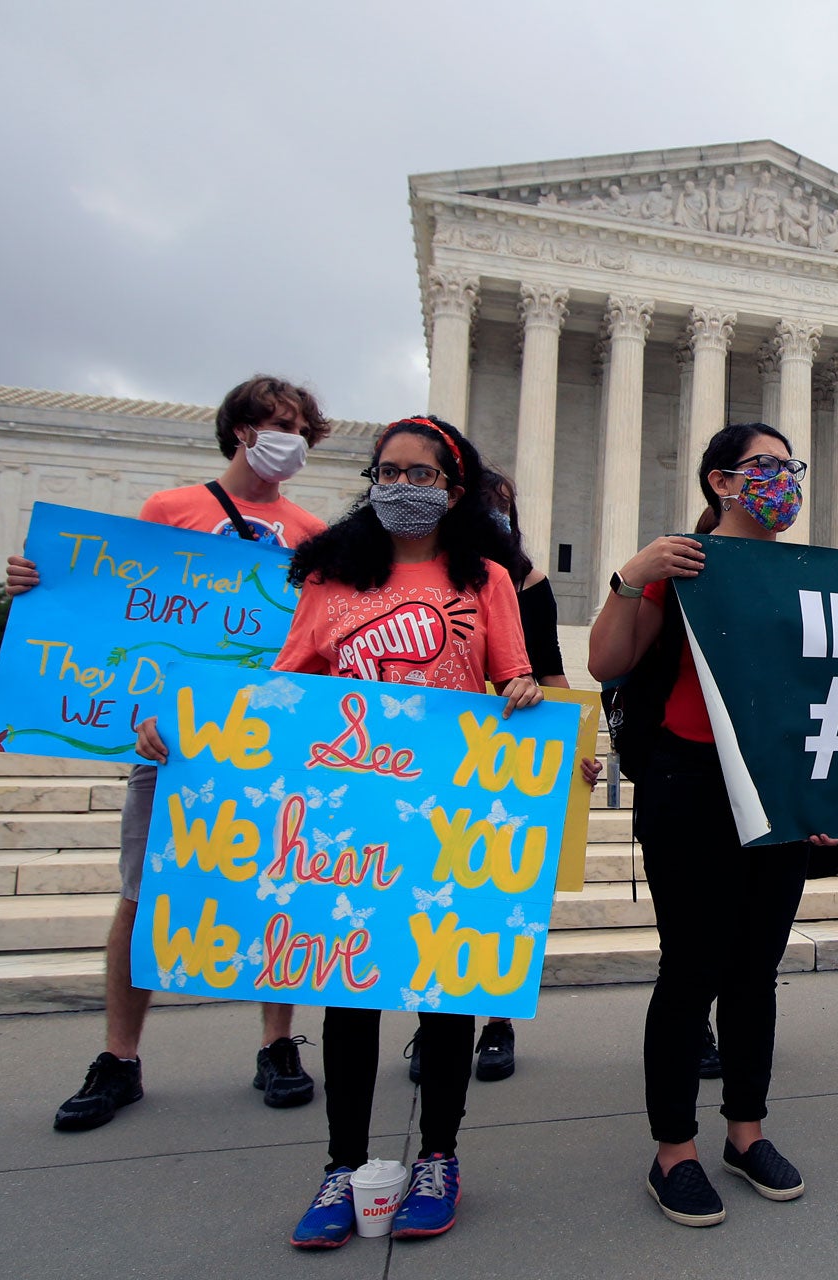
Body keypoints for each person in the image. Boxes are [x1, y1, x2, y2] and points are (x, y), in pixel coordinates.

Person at [138, 414, 544, 1245]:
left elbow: (511, 676)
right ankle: (343, 1168)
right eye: (388, 472)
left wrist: (526, 696)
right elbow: (284, 693)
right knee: (349, 1000)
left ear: (454, 488)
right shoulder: (330, 576)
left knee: (443, 1000)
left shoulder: (487, 579)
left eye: (422, 475)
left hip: (443, 815)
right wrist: (187, 729)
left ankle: (439, 1156)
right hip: (344, 821)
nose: (402, 486)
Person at [10, 375, 331, 1133]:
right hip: (169, 743)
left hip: (265, 745)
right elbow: (117, 611)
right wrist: (36, 584)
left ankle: (277, 1044)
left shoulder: (313, 534)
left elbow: (314, 642)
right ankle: (119, 1056)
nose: (291, 438)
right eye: (278, 423)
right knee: (139, 894)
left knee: (277, 890)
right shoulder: (170, 510)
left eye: (300, 428)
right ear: (241, 429)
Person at [588, 422, 838, 1228]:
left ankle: (745, 1132)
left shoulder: (811, 575)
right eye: (763, 466)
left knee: (756, 974)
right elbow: (607, 663)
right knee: (691, 970)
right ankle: (673, 1152)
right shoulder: (684, 566)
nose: (782, 478)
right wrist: (631, 578)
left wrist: (827, 796)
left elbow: (827, 695)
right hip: (690, 781)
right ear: (720, 482)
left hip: (777, 789)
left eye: (788, 466)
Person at [403, 471, 601, 1086]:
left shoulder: (526, 582)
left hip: (505, 754)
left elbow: (549, 669)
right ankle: (431, 1020)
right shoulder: (423, 576)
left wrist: (575, 747)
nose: (494, 513)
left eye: (504, 505)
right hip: (434, 754)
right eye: (485, 502)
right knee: (430, 892)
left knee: (498, 893)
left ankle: (496, 1024)